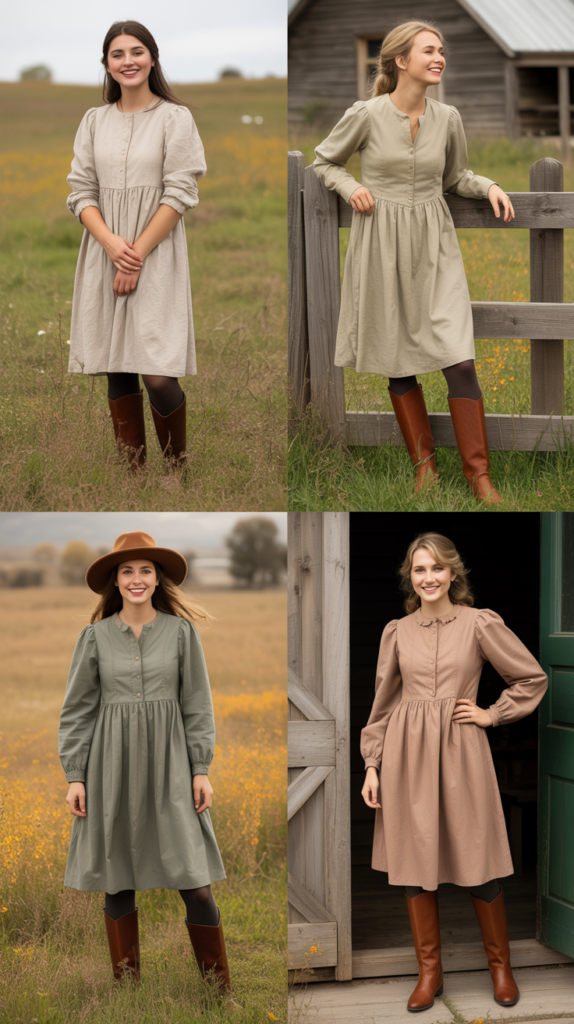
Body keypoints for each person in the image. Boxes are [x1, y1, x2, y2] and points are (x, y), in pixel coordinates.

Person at [313, 21, 516, 506]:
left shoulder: (448, 117)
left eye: (441, 50)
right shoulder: (365, 114)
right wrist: (351, 186)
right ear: (401, 61)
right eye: (429, 50)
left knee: (459, 358)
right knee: (396, 356)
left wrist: (487, 185)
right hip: (379, 240)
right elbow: (324, 163)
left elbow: (456, 175)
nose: (439, 57)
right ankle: (425, 471)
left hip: (434, 243)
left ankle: (479, 478)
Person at [361, 532, 547, 1012]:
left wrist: (493, 713)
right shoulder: (396, 632)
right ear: (411, 576)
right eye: (419, 570)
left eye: (437, 568)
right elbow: (381, 706)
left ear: (453, 573)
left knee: (478, 861)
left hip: (462, 750)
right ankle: (430, 974)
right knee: (413, 866)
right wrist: (372, 765)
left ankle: (501, 968)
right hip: (405, 755)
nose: (428, 578)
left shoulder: (479, 624)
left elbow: (530, 677)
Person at [58, 532, 235, 1006]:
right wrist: (75, 775)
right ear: (115, 581)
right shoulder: (93, 638)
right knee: (118, 881)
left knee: (196, 885)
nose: (137, 579)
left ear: (158, 579)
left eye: (145, 571)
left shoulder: (181, 634)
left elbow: (197, 704)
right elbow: (77, 711)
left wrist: (200, 768)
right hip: (109, 769)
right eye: (127, 571)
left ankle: (220, 993)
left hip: (172, 766)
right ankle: (128, 993)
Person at [66, 21, 207, 469]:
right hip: (104, 250)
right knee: (118, 365)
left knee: (158, 374)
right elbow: (80, 192)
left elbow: (180, 192)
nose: (128, 61)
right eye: (118, 54)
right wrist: (110, 244)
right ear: (106, 64)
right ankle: (133, 472)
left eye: (137, 51)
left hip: (156, 253)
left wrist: (136, 255)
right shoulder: (93, 120)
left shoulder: (174, 117)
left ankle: (175, 470)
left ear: (152, 58)